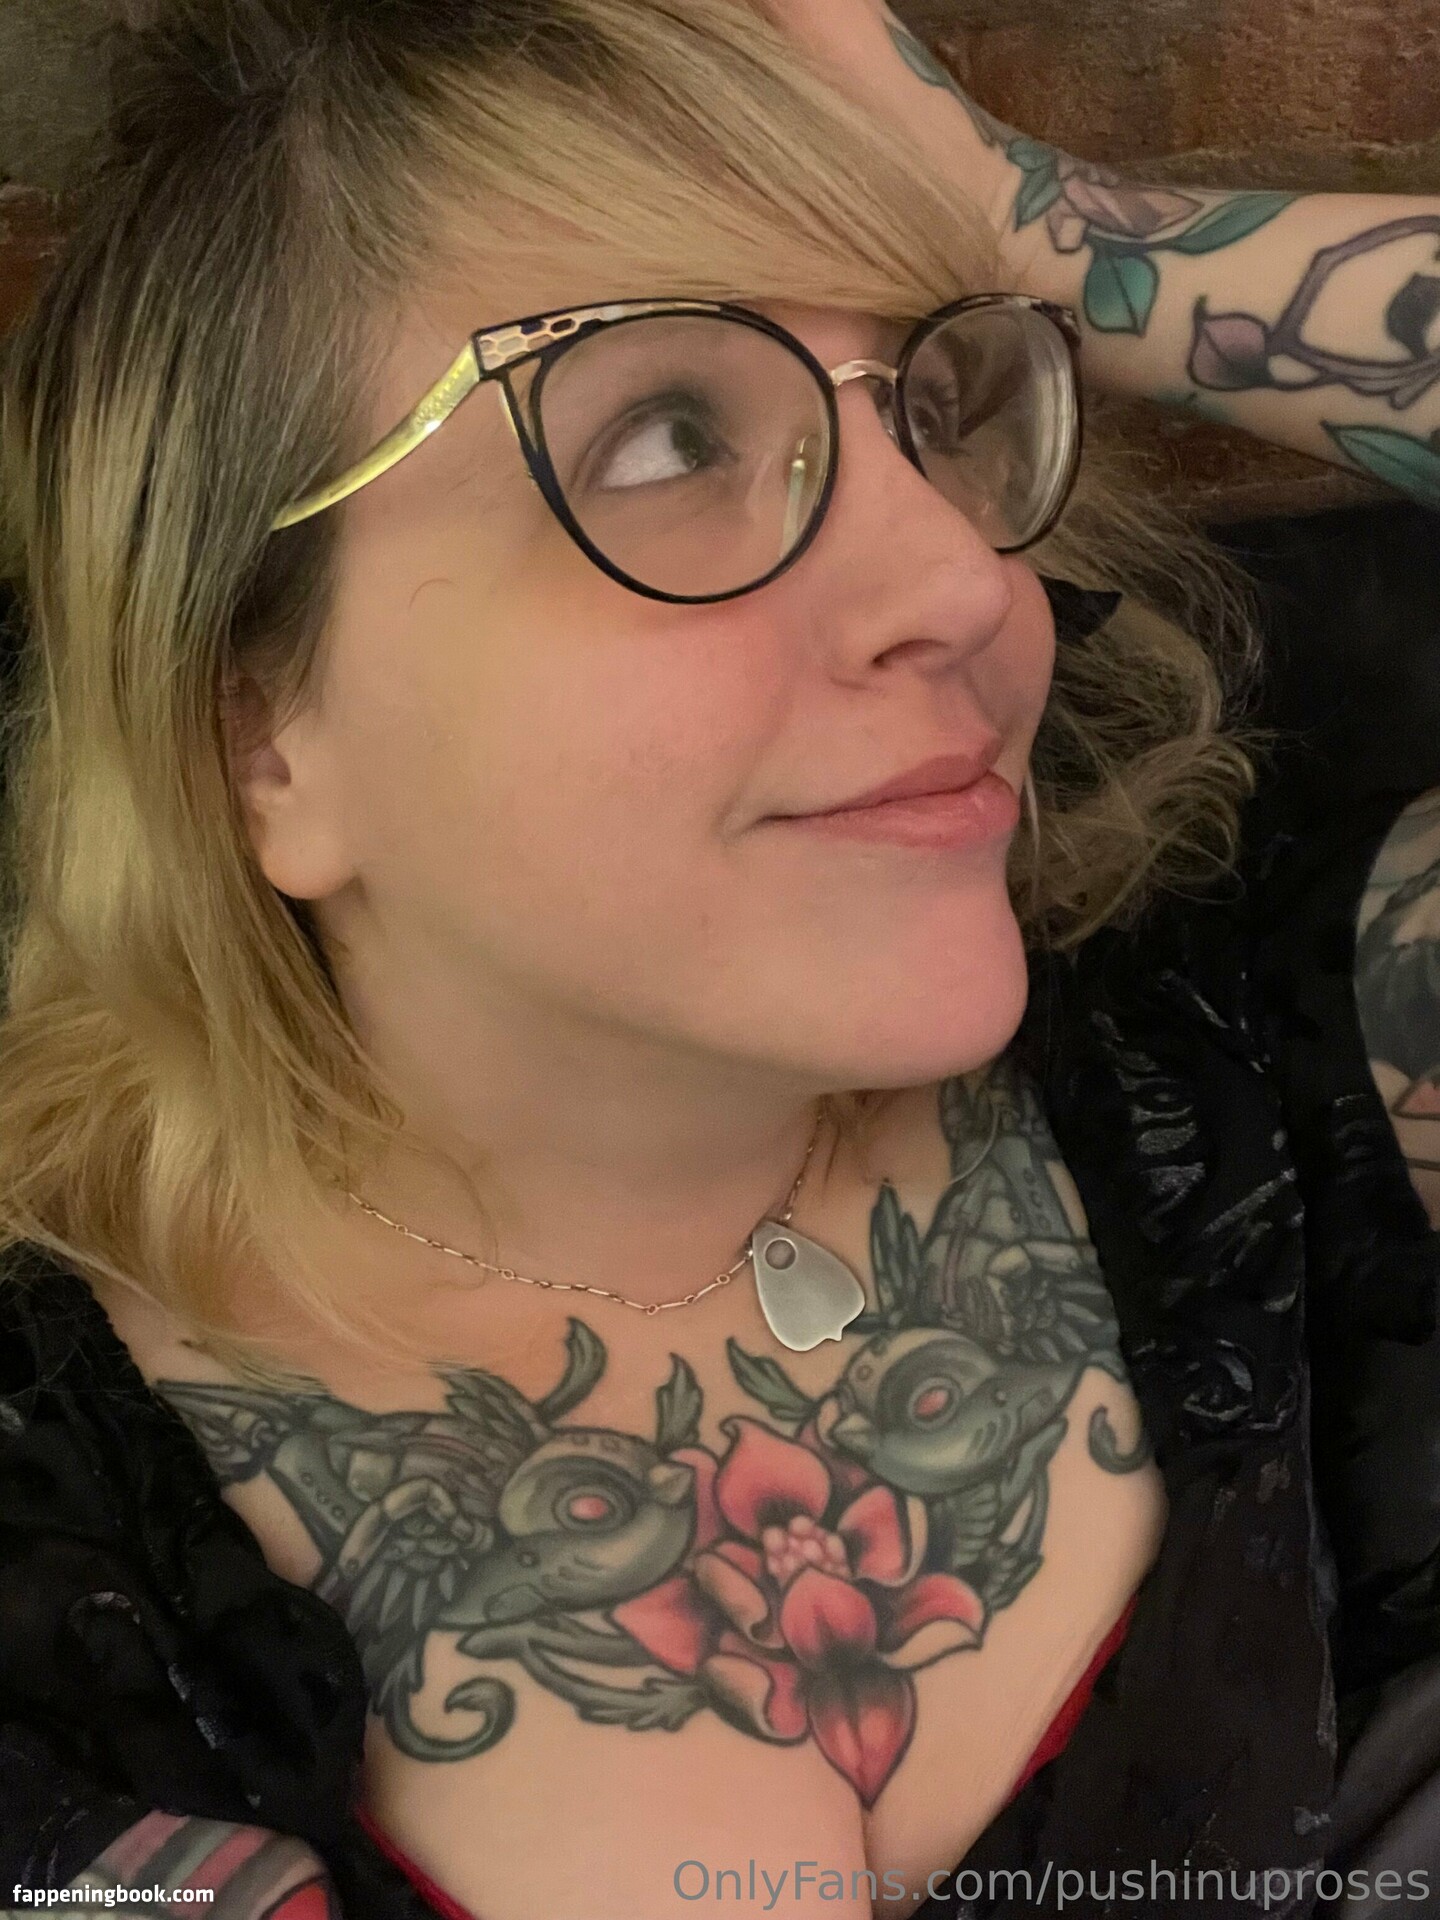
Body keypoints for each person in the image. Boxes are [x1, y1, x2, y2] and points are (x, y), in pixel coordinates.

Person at [0, 2, 1437, 1916]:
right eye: (668, 437)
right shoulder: (59, 1552)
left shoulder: (1267, 1072)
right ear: (261, 739)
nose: (967, 584)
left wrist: (1039, 225)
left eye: (939, 411)